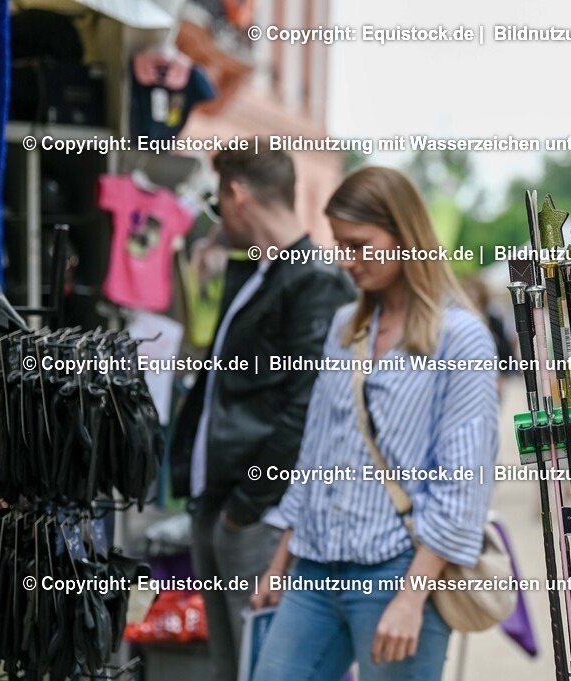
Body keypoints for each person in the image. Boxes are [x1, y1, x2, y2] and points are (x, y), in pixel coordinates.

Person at [250, 167, 499, 681]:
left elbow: (463, 486)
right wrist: (279, 564)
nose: (347, 260)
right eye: (340, 244)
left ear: (405, 236)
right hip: (315, 566)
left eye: (360, 245)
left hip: (399, 569)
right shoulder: (347, 326)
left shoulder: (460, 338)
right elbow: (317, 452)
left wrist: (411, 598)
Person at [170, 149, 355, 681]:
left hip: (255, 512)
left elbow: (307, 409)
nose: (216, 215)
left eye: (217, 200)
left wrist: (247, 506)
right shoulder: (260, 272)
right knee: (234, 667)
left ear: (237, 193)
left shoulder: (314, 279)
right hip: (224, 501)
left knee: (262, 665)